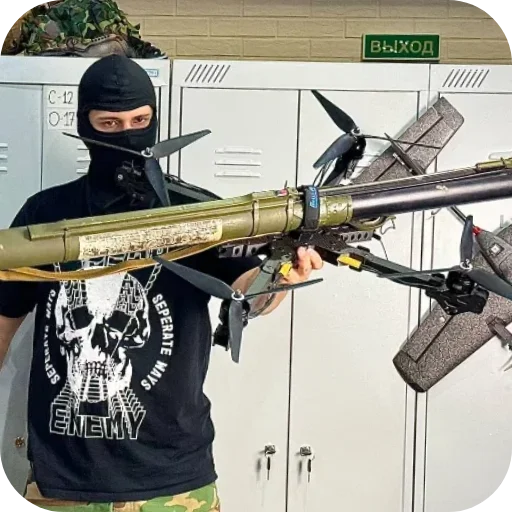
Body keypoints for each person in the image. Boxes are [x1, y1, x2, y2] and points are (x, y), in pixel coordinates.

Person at [0, 54, 323, 511]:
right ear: (84, 125)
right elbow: (3, 320)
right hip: (64, 481)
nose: (128, 134)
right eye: (109, 123)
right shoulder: (46, 216)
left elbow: (250, 289)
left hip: (174, 480)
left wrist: (283, 271)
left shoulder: (195, 214)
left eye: (140, 121)